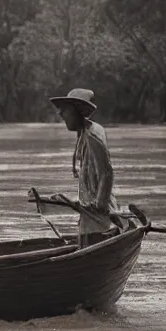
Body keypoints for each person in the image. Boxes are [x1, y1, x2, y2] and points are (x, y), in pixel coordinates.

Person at [49, 88, 120, 247]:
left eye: (65, 110)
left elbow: (106, 173)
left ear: (77, 111)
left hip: (99, 222)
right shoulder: (84, 133)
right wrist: (73, 201)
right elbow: (91, 180)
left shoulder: (93, 136)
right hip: (91, 217)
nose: (61, 114)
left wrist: (99, 205)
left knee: (90, 247)